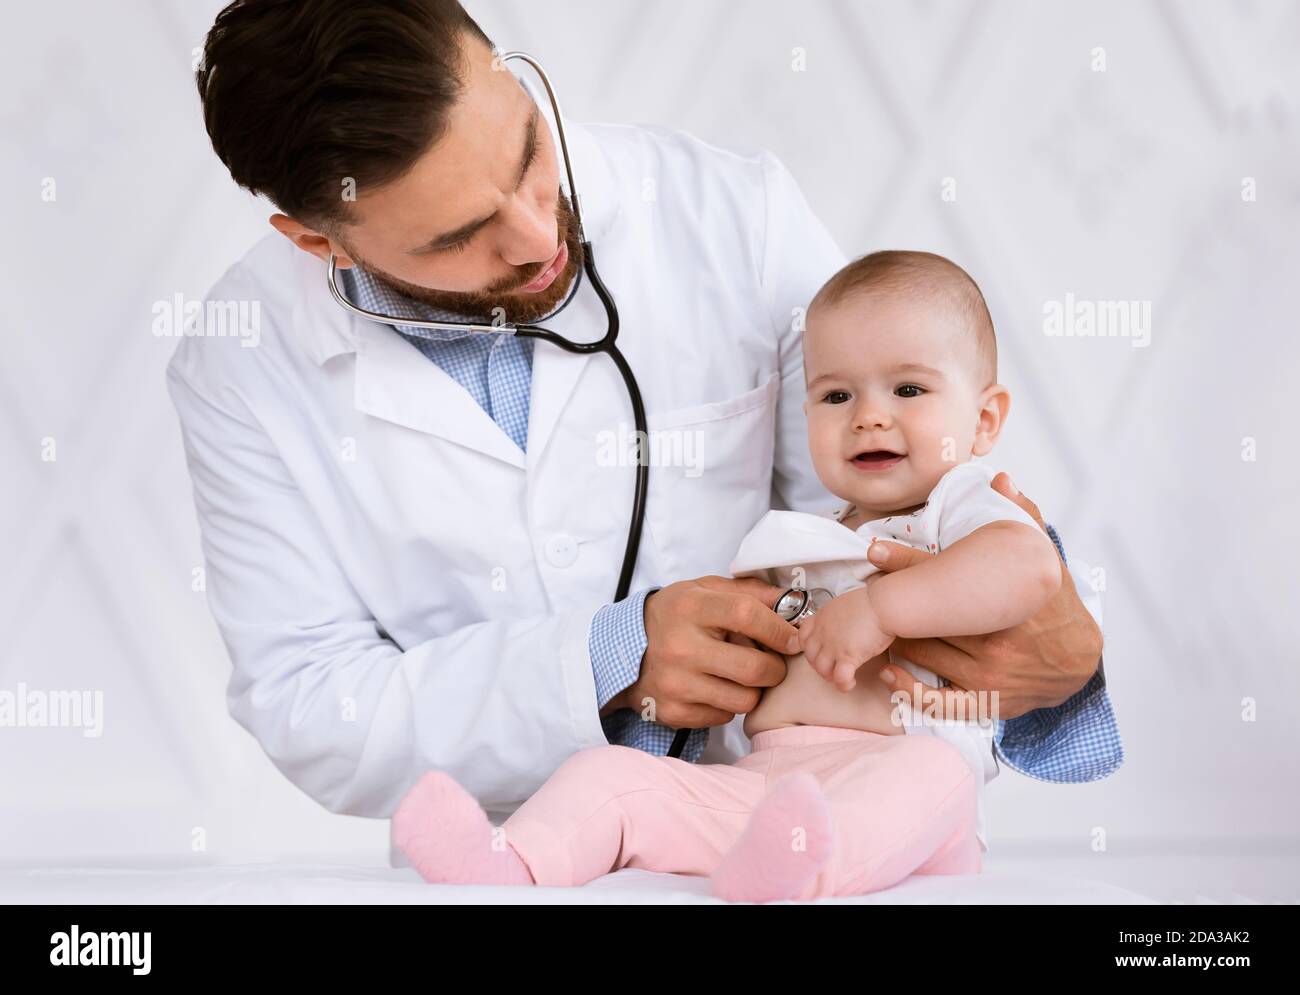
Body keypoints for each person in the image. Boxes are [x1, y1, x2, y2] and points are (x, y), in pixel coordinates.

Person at [170, 0, 1115, 831]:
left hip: (807, 806)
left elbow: (896, 503)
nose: (540, 238)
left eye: (530, 153)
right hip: (519, 852)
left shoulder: (727, 215)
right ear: (311, 239)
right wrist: (604, 664)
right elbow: (310, 702)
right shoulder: (238, 365)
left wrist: (1049, 657)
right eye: (459, 237)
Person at [391, 250, 1114, 901]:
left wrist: (884, 609)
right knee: (609, 776)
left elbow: (1025, 570)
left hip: (905, 783)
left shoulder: (959, 506)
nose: (869, 417)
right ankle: (510, 862)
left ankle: (806, 869)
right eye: (837, 396)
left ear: (984, 421)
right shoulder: (800, 535)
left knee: (925, 776)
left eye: (909, 390)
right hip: (764, 784)